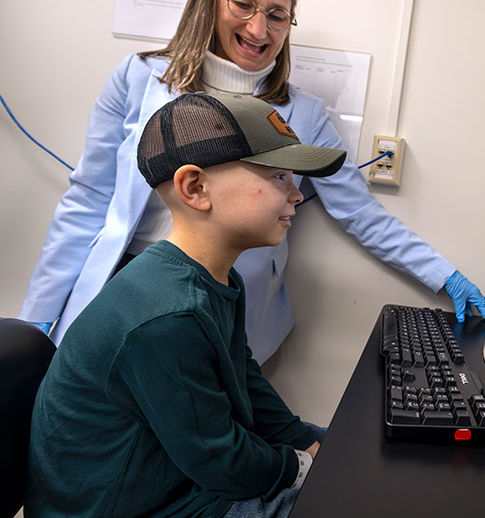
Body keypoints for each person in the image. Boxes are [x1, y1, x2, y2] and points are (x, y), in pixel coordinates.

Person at [18, 0, 485, 362]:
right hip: (123, 286)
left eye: (277, 15)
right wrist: (39, 314)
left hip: (226, 308)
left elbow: (361, 214)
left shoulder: (304, 115)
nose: (259, 30)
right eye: (242, 3)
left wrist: (444, 275)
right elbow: (89, 200)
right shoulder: (140, 78)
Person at [25, 92, 343, 518]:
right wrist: (303, 467)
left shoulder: (215, 278)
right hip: (128, 507)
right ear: (195, 188)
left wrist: (305, 441)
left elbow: (246, 381)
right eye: (279, 176)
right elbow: (219, 460)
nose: (296, 194)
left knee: (345, 450)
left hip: (172, 476)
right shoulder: (168, 314)